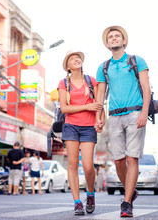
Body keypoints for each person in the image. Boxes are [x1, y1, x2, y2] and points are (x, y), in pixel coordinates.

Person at [95, 26, 151, 218]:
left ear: (124, 41)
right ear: (107, 43)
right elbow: (100, 95)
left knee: (131, 157)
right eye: (110, 37)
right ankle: (131, 190)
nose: (114, 38)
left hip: (135, 114)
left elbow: (146, 87)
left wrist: (144, 112)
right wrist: (98, 119)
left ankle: (126, 202)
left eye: (117, 36)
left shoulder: (136, 60)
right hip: (114, 116)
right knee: (118, 161)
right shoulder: (104, 67)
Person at [58, 50, 103, 215]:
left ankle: (90, 194)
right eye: (72, 58)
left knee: (88, 166)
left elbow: (99, 103)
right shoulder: (64, 83)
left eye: (78, 58)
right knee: (72, 164)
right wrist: (86, 106)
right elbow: (64, 108)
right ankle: (77, 202)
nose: (76, 59)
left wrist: (100, 120)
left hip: (89, 127)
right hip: (71, 126)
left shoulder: (91, 81)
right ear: (68, 66)